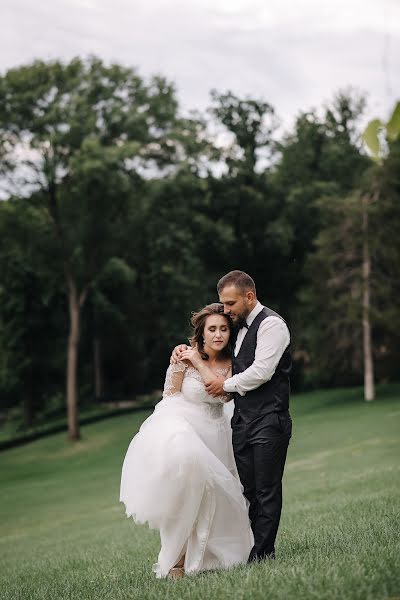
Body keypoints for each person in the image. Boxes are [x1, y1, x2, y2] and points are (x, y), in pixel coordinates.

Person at [120, 303, 253, 579]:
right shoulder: (182, 357)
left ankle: (211, 556)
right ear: (202, 333)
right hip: (184, 429)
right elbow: (169, 398)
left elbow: (223, 395)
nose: (218, 335)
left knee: (218, 496)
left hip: (218, 433)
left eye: (224, 329)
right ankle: (176, 561)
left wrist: (199, 362)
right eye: (212, 329)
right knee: (186, 495)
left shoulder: (233, 363)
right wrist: (173, 435)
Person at [172, 270, 292, 562]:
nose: (226, 310)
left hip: (269, 419)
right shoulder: (237, 326)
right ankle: (249, 548)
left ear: (249, 297)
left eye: (230, 303)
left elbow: (261, 372)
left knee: (266, 489)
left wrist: (225, 385)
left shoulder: (272, 325)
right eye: (222, 304)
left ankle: (263, 554)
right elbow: (212, 341)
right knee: (247, 490)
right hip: (241, 422)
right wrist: (185, 350)